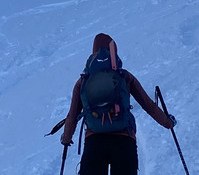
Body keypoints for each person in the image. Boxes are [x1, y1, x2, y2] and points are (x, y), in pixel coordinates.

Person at [60, 33, 176, 174]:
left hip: (95, 141)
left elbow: (72, 115)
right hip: (124, 140)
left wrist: (66, 139)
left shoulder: (83, 81)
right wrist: (167, 123)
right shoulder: (124, 76)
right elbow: (149, 106)